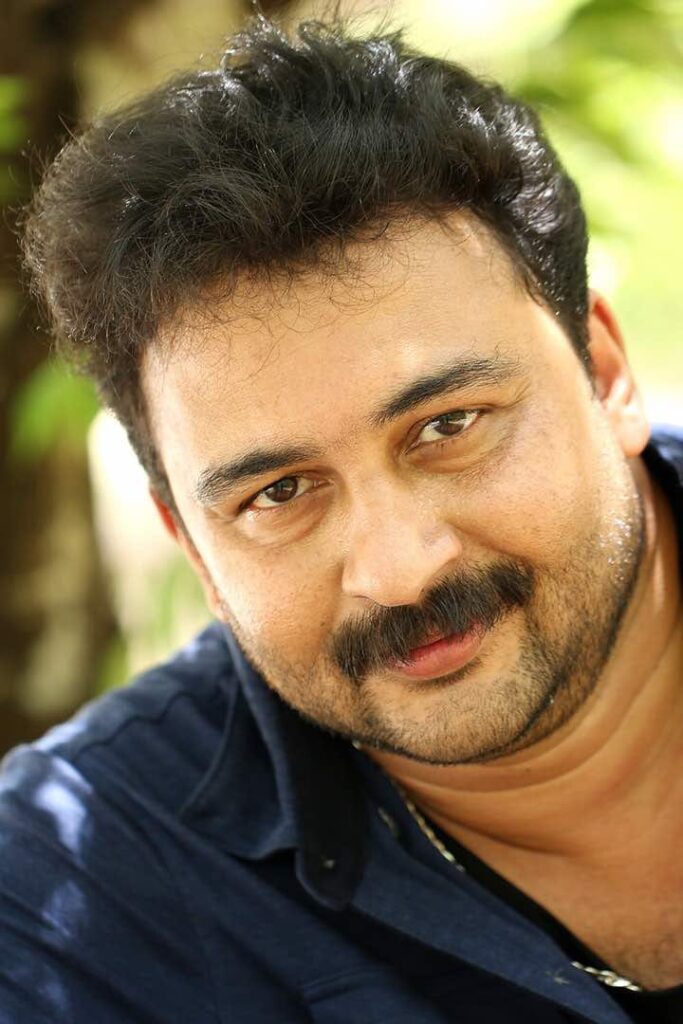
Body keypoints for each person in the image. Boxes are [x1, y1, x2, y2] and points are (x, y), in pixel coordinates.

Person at [3, 16, 681, 1024]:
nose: (400, 569)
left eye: (447, 426)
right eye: (277, 493)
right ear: (194, 548)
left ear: (606, 375)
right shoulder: (69, 902)